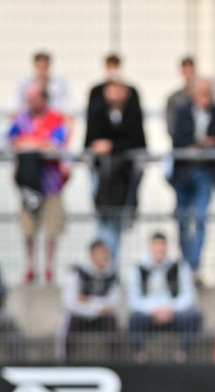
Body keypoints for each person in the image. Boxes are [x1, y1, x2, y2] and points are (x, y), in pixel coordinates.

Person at [169, 77, 215, 279]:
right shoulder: (182, 111)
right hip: (183, 175)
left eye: (209, 92)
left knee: (199, 217)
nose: (206, 96)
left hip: (206, 174)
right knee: (181, 218)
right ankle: (186, 262)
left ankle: (194, 266)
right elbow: (177, 140)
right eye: (202, 92)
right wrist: (204, 143)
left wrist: (201, 146)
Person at [8, 82, 68, 284]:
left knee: (51, 230)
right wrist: (36, 144)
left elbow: (56, 144)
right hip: (27, 187)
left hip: (51, 185)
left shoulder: (55, 118)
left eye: (34, 99)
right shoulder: (21, 118)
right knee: (28, 229)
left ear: (43, 99)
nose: (30, 103)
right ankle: (30, 268)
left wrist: (29, 144)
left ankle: (49, 270)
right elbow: (10, 140)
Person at [84, 79, 146, 266]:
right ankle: (103, 266)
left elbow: (138, 141)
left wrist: (111, 146)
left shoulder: (132, 114)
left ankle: (112, 266)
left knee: (117, 223)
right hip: (103, 176)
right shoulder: (97, 112)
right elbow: (91, 143)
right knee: (103, 222)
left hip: (123, 178)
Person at [127, 233, 202, 364]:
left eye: (162, 246)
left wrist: (170, 309)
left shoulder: (179, 266)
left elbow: (189, 295)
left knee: (194, 316)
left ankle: (182, 353)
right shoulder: (138, 268)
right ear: (150, 247)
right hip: (148, 315)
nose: (159, 249)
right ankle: (140, 355)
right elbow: (134, 299)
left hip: (174, 314)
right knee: (134, 319)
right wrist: (153, 309)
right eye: (156, 246)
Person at [59, 240, 119, 362]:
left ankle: (114, 361)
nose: (105, 256)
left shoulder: (112, 275)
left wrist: (87, 301)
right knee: (68, 320)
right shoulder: (77, 272)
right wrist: (99, 307)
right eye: (101, 253)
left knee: (111, 320)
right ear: (92, 255)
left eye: (106, 253)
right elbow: (69, 303)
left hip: (100, 319)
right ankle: (64, 361)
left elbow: (113, 304)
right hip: (80, 318)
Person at [14, 51, 70, 116]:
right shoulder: (23, 84)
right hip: (30, 122)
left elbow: (69, 108)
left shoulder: (60, 85)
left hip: (55, 121)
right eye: (40, 66)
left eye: (44, 66)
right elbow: (14, 108)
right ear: (35, 66)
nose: (42, 69)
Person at [165, 56, 196, 137]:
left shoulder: (202, 97)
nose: (189, 76)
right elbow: (171, 127)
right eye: (186, 72)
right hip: (181, 146)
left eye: (191, 71)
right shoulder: (174, 99)